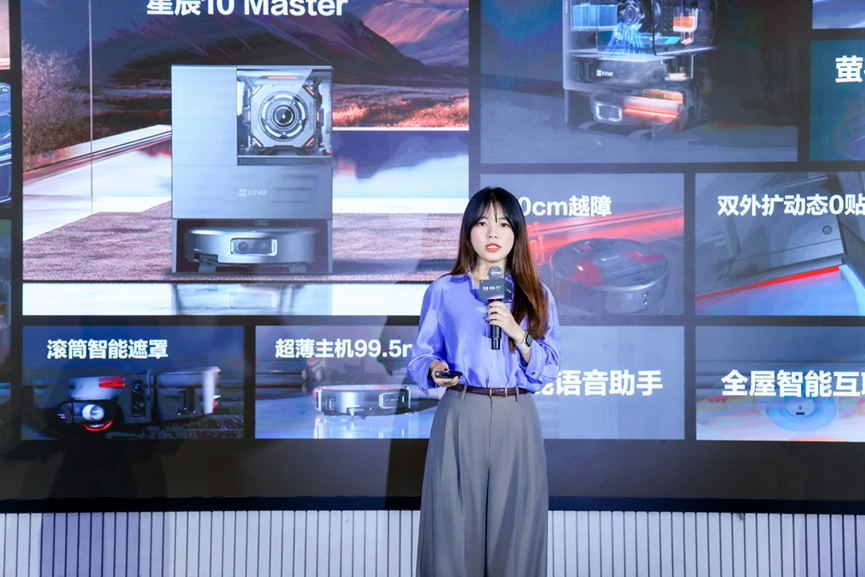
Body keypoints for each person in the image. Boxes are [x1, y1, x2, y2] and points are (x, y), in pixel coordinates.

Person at [407, 186, 561, 577]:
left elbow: (548, 369)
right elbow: (420, 356)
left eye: (504, 223)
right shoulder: (444, 291)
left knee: (518, 537)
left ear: (517, 232)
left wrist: (517, 332)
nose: (493, 232)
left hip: (516, 415)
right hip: (461, 412)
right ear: (468, 231)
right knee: (452, 534)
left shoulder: (537, 294)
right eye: (482, 222)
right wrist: (434, 369)